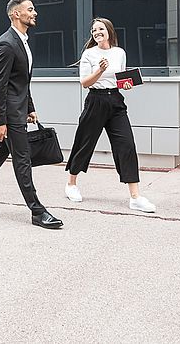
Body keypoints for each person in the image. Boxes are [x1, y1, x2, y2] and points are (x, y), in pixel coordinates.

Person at [0, 0, 63, 229]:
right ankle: (37, 211)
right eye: (30, 9)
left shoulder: (23, 41)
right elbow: (0, 85)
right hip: (9, 115)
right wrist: (0, 121)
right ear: (16, 14)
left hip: (17, 110)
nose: (34, 12)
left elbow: (21, 82)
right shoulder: (6, 44)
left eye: (34, 9)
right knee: (22, 159)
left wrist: (30, 107)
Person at [64, 17, 156, 213]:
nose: (96, 32)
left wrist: (127, 85)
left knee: (127, 146)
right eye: (93, 30)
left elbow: (120, 79)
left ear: (109, 31)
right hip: (95, 100)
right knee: (84, 142)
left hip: (115, 100)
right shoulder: (89, 54)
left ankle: (135, 197)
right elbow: (85, 83)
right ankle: (71, 184)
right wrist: (99, 70)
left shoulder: (119, 52)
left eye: (100, 29)